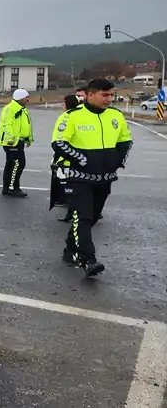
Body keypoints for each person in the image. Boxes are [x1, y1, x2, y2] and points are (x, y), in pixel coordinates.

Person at [50, 78, 132, 277]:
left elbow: (125, 141)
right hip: (78, 178)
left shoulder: (116, 116)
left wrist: (117, 161)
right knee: (82, 217)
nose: (109, 99)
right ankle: (87, 260)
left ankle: (70, 249)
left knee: (92, 217)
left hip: (105, 178)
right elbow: (59, 143)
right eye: (105, 95)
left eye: (111, 95)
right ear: (90, 94)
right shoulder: (73, 116)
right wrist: (83, 160)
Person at [49, 94, 84, 215]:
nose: (62, 106)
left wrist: (58, 158)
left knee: (70, 188)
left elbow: (59, 142)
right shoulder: (83, 115)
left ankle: (73, 214)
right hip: (82, 159)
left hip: (69, 160)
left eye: (64, 104)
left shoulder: (67, 116)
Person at [0, 89, 33, 197]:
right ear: (20, 98)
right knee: (18, 164)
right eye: (26, 97)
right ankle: (12, 188)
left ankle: (7, 188)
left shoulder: (21, 109)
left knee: (11, 164)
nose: (28, 99)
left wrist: (28, 139)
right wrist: (11, 139)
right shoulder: (10, 109)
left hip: (18, 141)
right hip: (12, 142)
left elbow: (25, 125)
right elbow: (7, 125)